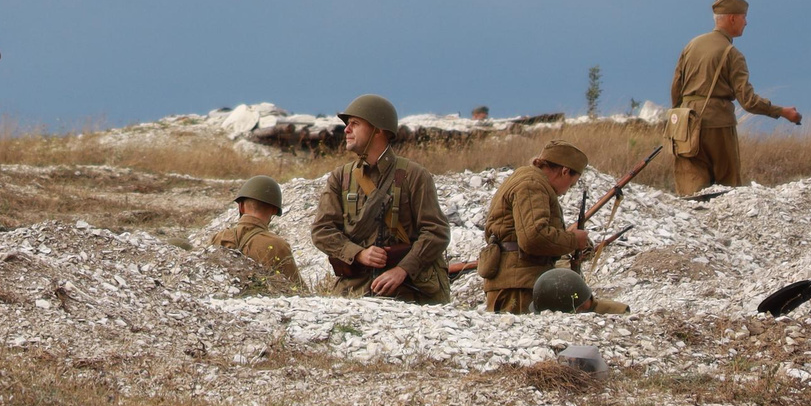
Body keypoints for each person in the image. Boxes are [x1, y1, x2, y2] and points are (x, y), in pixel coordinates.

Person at [311, 94, 451, 302]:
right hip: (355, 292)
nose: (347, 130)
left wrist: (403, 269)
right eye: (348, 124)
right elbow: (322, 230)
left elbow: (436, 231)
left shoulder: (414, 175)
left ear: (378, 130)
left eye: (355, 124)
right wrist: (357, 253)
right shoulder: (341, 177)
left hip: (409, 292)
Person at [668, 0, 801, 196]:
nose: (746, 22)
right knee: (727, 192)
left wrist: (681, 120)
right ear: (732, 18)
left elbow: (676, 87)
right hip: (718, 126)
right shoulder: (732, 53)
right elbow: (748, 101)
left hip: (686, 125)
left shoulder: (691, 45)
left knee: (690, 190)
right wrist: (781, 112)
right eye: (743, 17)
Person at [475, 142, 591, 314]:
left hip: (516, 280)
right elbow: (533, 237)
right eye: (571, 183)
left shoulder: (528, 179)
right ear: (565, 171)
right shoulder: (532, 184)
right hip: (518, 285)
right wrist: (574, 240)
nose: (567, 190)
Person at [210, 174, 304, 290]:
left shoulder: (219, 237)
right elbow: (299, 290)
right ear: (274, 210)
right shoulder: (277, 245)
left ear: (241, 207)